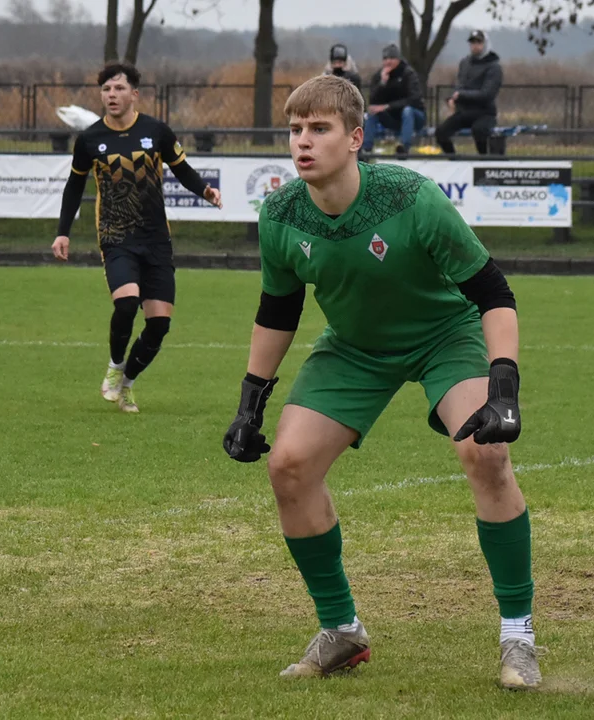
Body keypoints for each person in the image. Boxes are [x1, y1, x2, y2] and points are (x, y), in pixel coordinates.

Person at [222, 74, 541, 690]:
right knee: (288, 465)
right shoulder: (280, 213)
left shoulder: (413, 199)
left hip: (444, 335)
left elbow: (493, 294)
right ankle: (341, 632)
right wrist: (249, 403)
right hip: (355, 349)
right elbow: (278, 310)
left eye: (320, 129)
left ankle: (518, 636)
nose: (303, 143)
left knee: (486, 452)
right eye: (295, 130)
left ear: (356, 137)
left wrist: (503, 387)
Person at [51, 62, 221, 412]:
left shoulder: (156, 131)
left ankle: (127, 382)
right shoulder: (90, 139)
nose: (111, 95)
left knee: (158, 324)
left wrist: (205, 190)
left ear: (134, 94)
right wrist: (62, 233)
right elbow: (73, 186)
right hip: (116, 237)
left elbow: (182, 170)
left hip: (156, 239)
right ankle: (115, 367)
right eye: (106, 90)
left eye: (118, 89)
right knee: (126, 302)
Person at [436, 30, 503, 155]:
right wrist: (453, 98)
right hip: (465, 112)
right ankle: (454, 161)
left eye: (479, 42)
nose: (475, 45)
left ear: (485, 44)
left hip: (484, 113)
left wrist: (461, 95)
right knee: (441, 132)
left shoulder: (494, 67)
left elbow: (487, 94)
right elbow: (459, 86)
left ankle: (483, 162)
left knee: (479, 131)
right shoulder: (465, 63)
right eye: (472, 42)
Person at [362, 44, 426, 157]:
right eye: (385, 59)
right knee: (373, 112)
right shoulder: (379, 76)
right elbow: (373, 101)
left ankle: (404, 148)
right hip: (393, 119)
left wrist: (388, 106)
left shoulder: (408, 73)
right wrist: (382, 83)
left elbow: (414, 99)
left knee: (408, 110)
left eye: (391, 58)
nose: (388, 62)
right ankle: (366, 150)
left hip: (415, 117)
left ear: (398, 59)